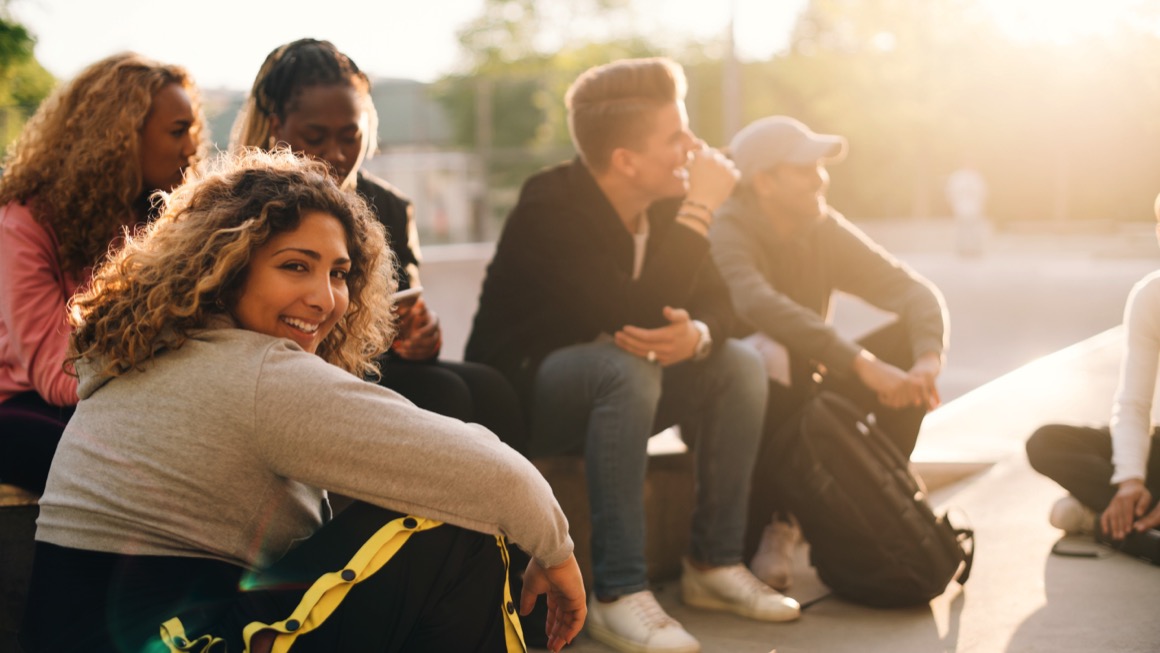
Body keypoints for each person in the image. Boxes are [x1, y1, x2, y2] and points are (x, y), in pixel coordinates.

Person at [19, 150, 585, 653]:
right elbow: (492, 475)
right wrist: (557, 555)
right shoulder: (254, 372)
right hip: (173, 638)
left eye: (339, 273)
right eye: (295, 266)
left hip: (106, 632)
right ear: (226, 268)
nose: (325, 298)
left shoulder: (154, 354)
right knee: (458, 528)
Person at [466, 58, 799, 653]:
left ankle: (713, 565)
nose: (693, 148)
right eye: (676, 137)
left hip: (626, 389)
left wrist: (697, 334)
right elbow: (631, 315)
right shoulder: (551, 204)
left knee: (737, 364)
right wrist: (701, 209)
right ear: (626, 161)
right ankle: (617, 595)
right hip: (530, 399)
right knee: (627, 363)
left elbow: (727, 307)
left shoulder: (669, 200)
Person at [230, 38, 527, 452]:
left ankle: (509, 513)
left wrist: (422, 336)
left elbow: (404, 311)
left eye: (350, 137)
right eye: (315, 136)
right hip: (283, 363)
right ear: (277, 125)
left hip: (373, 362)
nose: (335, 154)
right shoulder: (242, 203)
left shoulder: (386, 205)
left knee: (492, 388)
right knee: (443, 395)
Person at [709, 116, 949, 590]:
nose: (821, 177)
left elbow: (912, 291)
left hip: (805, 393)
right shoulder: (727, 225)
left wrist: (926, 361)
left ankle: (884, 488)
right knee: (777, 349)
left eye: (820, 165)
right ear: (765, 182)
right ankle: (778, 521)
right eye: (805, 168)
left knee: (904, 345)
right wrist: (861, 365)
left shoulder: (819, 224)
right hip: (731, 408)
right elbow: (758, 304)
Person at [0, 52, 206, 494]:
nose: (192, 147)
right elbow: (59, 377)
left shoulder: (167, 215)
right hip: (28, 404)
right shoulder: (25, 221)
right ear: (121, 137)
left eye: (192, 129)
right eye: (177, 131)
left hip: (122, 396)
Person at [1025, 192, 1160, 544]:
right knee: (1046, 443)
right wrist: (1130, 479)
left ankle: (1098, 520)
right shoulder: (1151, 297)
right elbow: (1134, 405)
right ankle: (1132, 515)